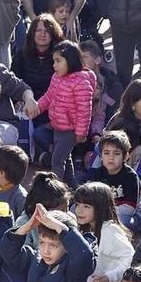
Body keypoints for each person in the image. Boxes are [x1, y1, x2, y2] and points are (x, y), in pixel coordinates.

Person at [32, 41, 97, 182]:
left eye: (58, 61)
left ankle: (56, 189)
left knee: (57, 161)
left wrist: (81, 132)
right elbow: (49, 96)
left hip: (70, 130)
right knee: (65, 159)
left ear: (70, 60)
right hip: (58, 126)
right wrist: (37, 108)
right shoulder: (56, 77)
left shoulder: (81, 82)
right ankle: (70, 186)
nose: (54, 65)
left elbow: (84, 110)